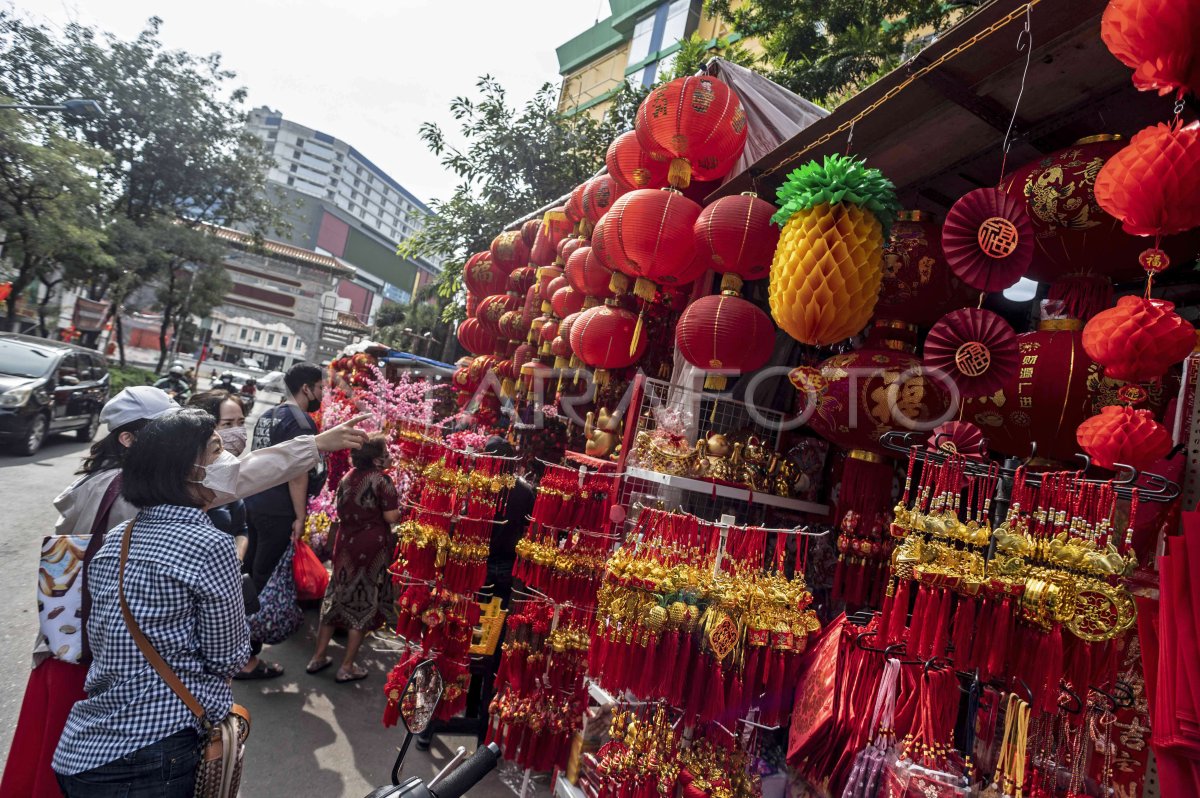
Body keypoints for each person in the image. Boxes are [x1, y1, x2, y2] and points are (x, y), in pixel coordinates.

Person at [0, 387, 369, 798]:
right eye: (210, 444)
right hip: (131, 701)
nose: (221, 454)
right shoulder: (159, 516)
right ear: (142, 444)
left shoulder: (108, 494)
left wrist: (316, 444)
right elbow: (226, 653)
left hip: (84, 667)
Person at [52, 409, 250, 796]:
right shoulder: (209, 545)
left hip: (84, 749)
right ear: (187, 470)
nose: (227, 460)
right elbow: (227, 655)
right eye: (215, 450)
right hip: (152, 754)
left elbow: (103, 638)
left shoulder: (119, 539)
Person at [306, 434, 400, 682]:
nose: (390, 456)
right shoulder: (383, 481)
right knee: (364, 598)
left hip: (345, 544)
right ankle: (346, 666)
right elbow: (391, 517)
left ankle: (318, 656)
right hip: (371, 547)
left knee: (336, 593)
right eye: (386, 452)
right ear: (378, 460)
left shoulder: (347, 478)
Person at [244, 362, 326, 594]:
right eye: (320, 387)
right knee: (264, 574)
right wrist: (300, 517)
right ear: (306, 389)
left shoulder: (268, 415)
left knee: (246, 567)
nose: (322, 394)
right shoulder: (301, 422)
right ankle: (254, 625)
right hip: (278, 509)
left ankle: (236, 615)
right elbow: (298, 475)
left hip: (253, 502)